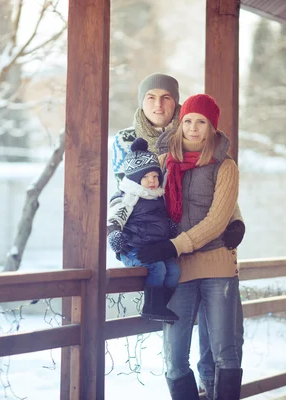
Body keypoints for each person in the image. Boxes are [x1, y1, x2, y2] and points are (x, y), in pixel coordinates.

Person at [110, 73, 245, 398]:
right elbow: (130, 195)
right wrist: (120, 236)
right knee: (173, 360)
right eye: (189, 122)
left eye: (201, 122)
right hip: (177, 268)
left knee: (223, 352)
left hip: (214, 266)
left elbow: (220, 212)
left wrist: (234, 221)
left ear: (211, 127)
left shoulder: (224, 166)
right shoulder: (160, 161)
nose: (193, 128)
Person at [107, 138, 181, 323]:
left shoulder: (156, 197)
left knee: (174, 270)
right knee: (158, 268)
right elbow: (114, 218)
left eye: (155, 176)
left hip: (154, 249)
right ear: (135, 179)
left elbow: (159, 220)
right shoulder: (128, 197)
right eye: (146, 177)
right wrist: (114, 235)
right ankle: (151, 306)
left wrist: (169, 228)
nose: (152, 181)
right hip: (132, 249)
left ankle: (160, 305)